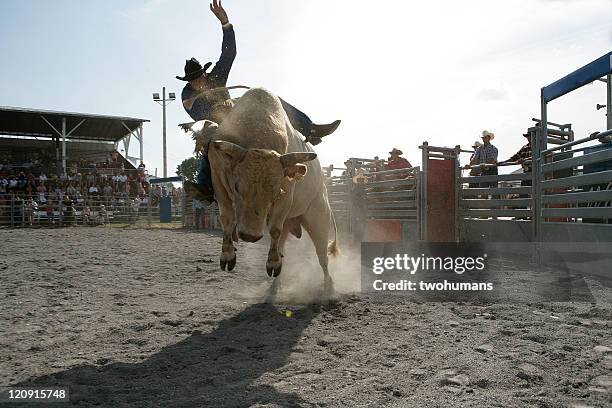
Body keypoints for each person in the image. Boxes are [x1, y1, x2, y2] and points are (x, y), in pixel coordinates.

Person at [177, 0, 341, 201]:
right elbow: (199, 116)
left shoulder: (216, 77)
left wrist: (226, 24)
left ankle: (309, 129)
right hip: (217, 124)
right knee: (210, 141)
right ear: (189, 81)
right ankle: (206, 187)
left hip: (235, 115)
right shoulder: (187, 95)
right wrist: (216, 111)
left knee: (271, 100)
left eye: (200, 76)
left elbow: (229, 54)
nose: (198, 81)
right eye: (194, 79)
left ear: (204, 73)